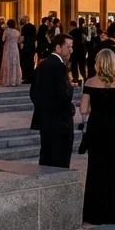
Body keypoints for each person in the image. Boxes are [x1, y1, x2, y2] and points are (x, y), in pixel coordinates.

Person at [80, 47, 115, 225]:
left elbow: (83, 109)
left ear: (99, 63)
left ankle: (96, 212)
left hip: (97, 128)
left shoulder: (90, 82)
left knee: (96, 168)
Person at [29, 33, 76, 168]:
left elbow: (34, 92)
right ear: (58, 47)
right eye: (68, 47)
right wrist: (69, 91)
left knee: (46, 157)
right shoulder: (59, 67)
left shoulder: (42, 65)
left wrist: (43, 107)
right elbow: (64, 94)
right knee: (60, 158)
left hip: (45, 120)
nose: (71, 50)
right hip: (60, 121)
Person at [0, 19, 22, 87]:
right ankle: (15, 81)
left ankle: (8, 81)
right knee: (14, 64)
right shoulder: (17, 32)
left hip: (8, 48)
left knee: (8, 63)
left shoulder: (6, 31)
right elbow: (19, 41)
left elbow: (3, 39)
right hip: (15, 48)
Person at [19, 17, 36, 85]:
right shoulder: (33, 26)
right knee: (31, 62)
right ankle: (31, 77)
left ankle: (25, 77)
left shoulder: (24, 28)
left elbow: (22, 38)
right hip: (32, 47)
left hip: (25, 47)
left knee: (25, 63)